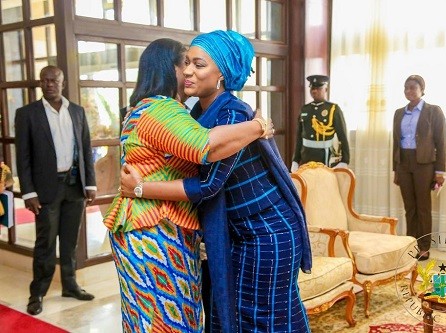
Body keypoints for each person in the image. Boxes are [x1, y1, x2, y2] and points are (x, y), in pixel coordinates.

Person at [120, 30, 312, 333]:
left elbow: (208, 185)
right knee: (236, 316)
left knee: (266, 319)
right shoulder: (195, 113)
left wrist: (140, 188)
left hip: (267, 229)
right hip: (237, 230)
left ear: (221, 73)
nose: (187, 71)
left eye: (198, 64)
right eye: (186, 64)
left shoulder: (234, 114)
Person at [15, 65, 97, 316]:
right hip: (46, 189)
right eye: (45, 80)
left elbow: (85, 149)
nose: (49, 84)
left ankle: (70, 285)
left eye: (54, 80)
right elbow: (23, 157)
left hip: (74, 187)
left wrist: (90, 183)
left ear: (62, 82)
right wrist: (28, 193)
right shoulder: (27, 114)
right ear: (41, 83)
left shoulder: (77, 112)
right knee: (45, 244)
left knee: (70, 242)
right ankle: (37, 292)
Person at [392, 74, 446, 261]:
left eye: (413, 87)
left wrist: (440, 172)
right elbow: (395, 143)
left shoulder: (434, 111)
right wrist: (395, 169)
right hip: (403, 163)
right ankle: (411, 244)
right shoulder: (399, 112)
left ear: (422, 90)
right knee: (409, 207)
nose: (409, 91)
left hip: (424, 164)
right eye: (406, 88)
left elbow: (441, 142)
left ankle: (424, 247)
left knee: (423, 207)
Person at [291, 74, 350, 171]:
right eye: (312, 88)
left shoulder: (333, 109)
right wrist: (295, 160)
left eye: (318, 88)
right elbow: (299, 138)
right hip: (306, 157)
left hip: (325, 157)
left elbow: (342, 136)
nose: (314, 91)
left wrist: (345, 160)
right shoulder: (305, 109)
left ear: (325, 89)